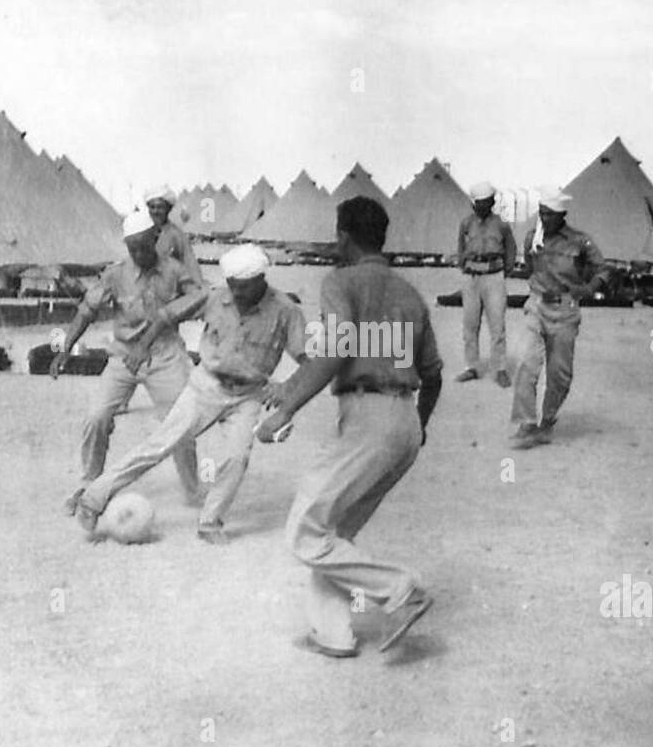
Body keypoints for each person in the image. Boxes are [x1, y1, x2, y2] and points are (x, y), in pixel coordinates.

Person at [257, 195, 442, 658]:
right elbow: (433, 374)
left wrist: (286, 409)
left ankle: (402, 590)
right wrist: (414, 428)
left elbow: (335, 351)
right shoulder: (409, 294)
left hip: (368, 418)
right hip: (404, 421)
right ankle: (333, 634)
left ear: (343, 236)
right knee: (333, 533)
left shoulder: (341, 281)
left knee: (304, 530)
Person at [74, 243, 307, 545]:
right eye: (232, 286)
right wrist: (143, 345)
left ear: (261, 280)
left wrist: (287, 386)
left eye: (243, 288)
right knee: (160, 444)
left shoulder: (286, 311)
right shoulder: (214, 296)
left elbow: (312, 359)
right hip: (205, 385)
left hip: (248, 394)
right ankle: (92, 499)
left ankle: (210, 522)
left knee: (237, 458)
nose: (235, 294)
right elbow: (165, 316)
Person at [53, 212, 207, 516]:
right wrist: (65, 348)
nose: (139, 253)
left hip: (164, 355)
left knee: (180, 423)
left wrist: (171, 315)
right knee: (96, 417)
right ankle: (89, 486)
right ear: (126, 245)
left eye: (144, 246)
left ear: (155, 238)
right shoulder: (115, 274)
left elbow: (200, 297)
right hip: (124, 356)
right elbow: (86, 311)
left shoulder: (175, 271)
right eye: (132, 248)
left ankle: (193, 489)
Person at [509, 190, 608, 448]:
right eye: (541, 213)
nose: (544, 219)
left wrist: (588, 289)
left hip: (565, 310)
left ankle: (547, 421)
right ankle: (526, 423)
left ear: (562, 215)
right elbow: (531, 268)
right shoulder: (534, 238)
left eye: (549, 215)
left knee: (560, 374)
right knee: (525, 362)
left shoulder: (580, 242)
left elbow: (603, 269)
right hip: (537, 305)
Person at [455, 181, 517, 387]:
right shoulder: (466, 223)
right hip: (472, 276)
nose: (482, 206)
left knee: (497, 324)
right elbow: (461, 245)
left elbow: (510, 247)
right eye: (478, 203)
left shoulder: (501, 224)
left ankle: (500, 369)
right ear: (473, 204)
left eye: (486, 202)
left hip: (493, 276)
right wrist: (463, 264)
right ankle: (471, 366)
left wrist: (505, 270)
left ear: (491, 202)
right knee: (470, 325)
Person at [142, 184, 203, 283]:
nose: (155, 211)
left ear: (168, 209)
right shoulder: (142, 233)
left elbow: (190, 262)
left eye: (160, 207)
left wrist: (198, 285)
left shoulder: (177, 235)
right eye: (152, 207)